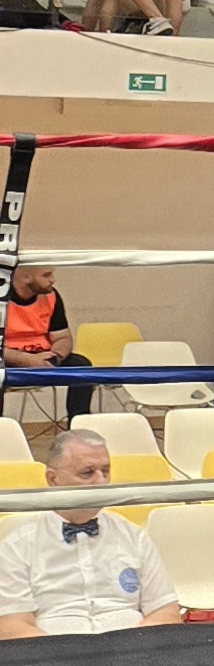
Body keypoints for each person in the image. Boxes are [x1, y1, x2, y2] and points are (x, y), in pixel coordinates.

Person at [0, 429, 182, 639]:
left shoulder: (134, 537)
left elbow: (165, 612)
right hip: (53, 653)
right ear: (52, 479)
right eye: (88, 473)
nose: (101, 481)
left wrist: (132, 648)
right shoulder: (17, 546)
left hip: (133, 650)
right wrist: (66, 654)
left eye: (105, 471)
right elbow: (12, 627)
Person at [3, 267, 97, 420]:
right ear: (26, 277)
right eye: (46, 275)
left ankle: (78, 424)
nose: (52, 280)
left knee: (82, 366)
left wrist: (55, 357)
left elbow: (63, 337)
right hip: (8, 358)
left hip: (45, 356)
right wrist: (28, 360)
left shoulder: (51, 296)